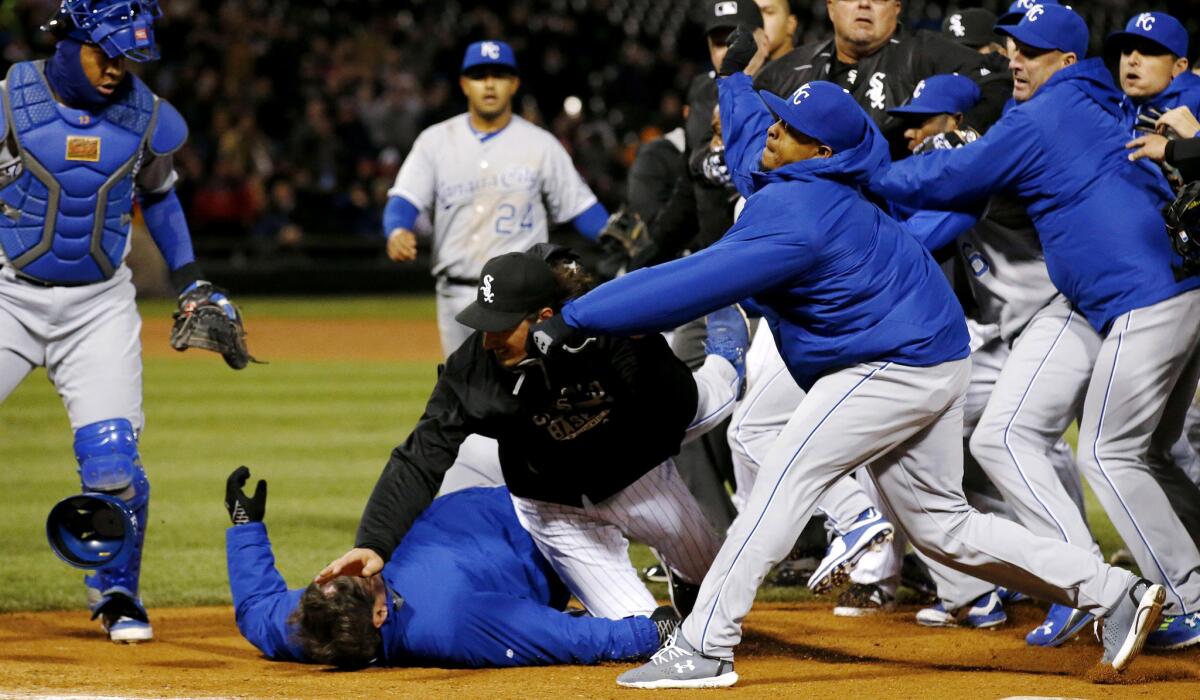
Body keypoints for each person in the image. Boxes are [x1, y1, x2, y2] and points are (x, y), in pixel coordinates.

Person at [528, 64, 1164, 687]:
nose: (774, 130)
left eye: (790, 126)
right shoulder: (810, 169)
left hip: (892, 363)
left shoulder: (802, 215)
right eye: (779, 117)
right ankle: (1114, 593)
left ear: (820, 150)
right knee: (945, 528)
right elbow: (755, 135)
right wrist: (737, 80)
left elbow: (687, 283)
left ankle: (705, 645)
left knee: (783, 479)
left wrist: (580, 314)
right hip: (930, 354)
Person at [870, 5, 1200, 650]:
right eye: (1012, 46)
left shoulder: (1050, 113)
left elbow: (953, 174)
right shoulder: (1097, 101)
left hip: (1145, 294)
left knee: (1110, 453)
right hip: (1134, 294)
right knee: (1129, 449)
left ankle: (1184, 596)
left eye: (1033, 50)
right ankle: (1127, 586)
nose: (1015, 57)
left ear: (1069, 62)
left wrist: (867, 174)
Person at [317, 244, 748, 621]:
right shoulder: (472, 371)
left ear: (543, 318)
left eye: (501, 325)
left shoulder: (606, 331)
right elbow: (420, 455)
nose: (488, 339)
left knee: (709, 399)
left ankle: (727, 353)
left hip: (638, 467)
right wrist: (374, 541)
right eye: (483, 323)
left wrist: (644, 346)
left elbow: (667, 411)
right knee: (641, 629)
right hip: (555, 506)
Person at [0, 0, 245, 643]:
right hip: (7, 295)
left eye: (127, 56)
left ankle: (116, 594)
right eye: (103, 53)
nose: (116, 69)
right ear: (68, 41)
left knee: (111, 464)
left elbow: (162, 197)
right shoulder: (7, 102)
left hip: (98, 306)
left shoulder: (147, 117)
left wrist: (190, 278)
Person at [888, 74, 1100, 645]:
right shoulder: (962, 158)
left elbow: (932, 226)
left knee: (1027, 443)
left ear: (955, 122)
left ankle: (1084, 578)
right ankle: (1027, 568)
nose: (910, 131)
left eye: (923, 119)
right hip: (1023, 334)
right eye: (908, 119)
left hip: (1066, 317)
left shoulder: (966, 156)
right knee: (950, 434)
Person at [223, 468, 679, 668]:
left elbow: (256, 611)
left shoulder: (314, 625)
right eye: (363, 582)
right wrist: (651, 633)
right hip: (558, 523)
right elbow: (566, 639)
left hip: (491, 484)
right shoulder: (451, 622)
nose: (354, 566)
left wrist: (246, 528)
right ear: (379, 616)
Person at [382, 40, 609, 358]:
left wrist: (616, 237)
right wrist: (396, 229)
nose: (489, 84)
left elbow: (582, 209)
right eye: (479, 75)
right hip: (456, 295)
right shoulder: (435, 141)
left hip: (523, 298)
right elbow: (404, 199)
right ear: (464, 84)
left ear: (514, 83)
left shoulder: (540, 144)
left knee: (525, 393)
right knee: (465, 397)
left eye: (499, 75)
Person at [753, 0, 1011, 159]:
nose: (864, 4)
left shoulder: (923, 52)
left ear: (896, 8)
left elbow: (998, 80)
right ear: (831, 6)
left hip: (893, 206)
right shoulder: (788, 70)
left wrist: (968, 133)